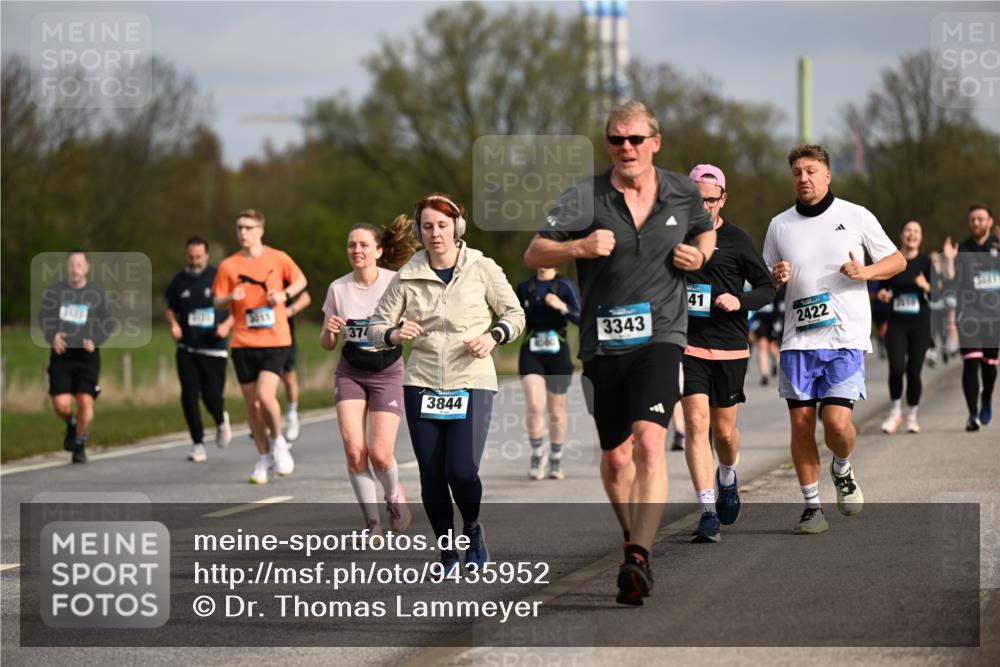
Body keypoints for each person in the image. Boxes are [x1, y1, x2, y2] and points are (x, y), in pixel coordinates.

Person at [524, 101, 716, 605]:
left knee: (650, 444)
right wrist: (578, 248)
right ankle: (634, 539)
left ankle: (639, 558)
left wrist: (700, 254)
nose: (625, 147)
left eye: (634, 138)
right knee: (615, 456)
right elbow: (534, 251)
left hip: (662, 335)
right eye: (616, 139)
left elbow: (705, 228)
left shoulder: (682, 191)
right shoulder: (583, 197)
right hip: (603, 343)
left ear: (655, 142)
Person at [369, 194, 525, 576]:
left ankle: (472, 529)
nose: (435, 233)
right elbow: (376, 326)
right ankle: (447, 553)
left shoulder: (482, 267)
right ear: (419, 231)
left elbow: (515, 314)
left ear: (457, 227)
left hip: (472, 380)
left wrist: (494, 336)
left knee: (461, 471)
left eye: (442, 225)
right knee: (432, 476)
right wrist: (394, 333)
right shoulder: (408, 274)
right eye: (427, 226)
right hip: (422, 382)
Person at [764, 144, 905, 535]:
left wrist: (866, 272)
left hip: (845, 338)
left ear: (827, 175)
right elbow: (765, 279)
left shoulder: (855, 215)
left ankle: (842, 467)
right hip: (798, 341)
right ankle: (812, 506)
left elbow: (897, 261)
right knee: (801, 426)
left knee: (837, 425)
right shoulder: (779, 225)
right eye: (797, 172)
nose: (803, 178)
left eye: (811, 171)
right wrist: (775, 278)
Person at [681, 164, 775, 543]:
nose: (704, 207)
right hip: (687, 345)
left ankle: (727, 475)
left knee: (723, 432)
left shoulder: (737, 240)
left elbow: (766, 288)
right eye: (696, 200)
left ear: (723, 199)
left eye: (710, 200)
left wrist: (740, 301)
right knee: (696, 425)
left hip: (730, 347)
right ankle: (707, 511)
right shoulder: (673, 237)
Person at [321, 216, 419, 534]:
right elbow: (327, 344)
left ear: (378, 251)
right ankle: (372, 522)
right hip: (350, 372)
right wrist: (330, 329)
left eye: (364, 245)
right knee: (354, 450)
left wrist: (405, 327)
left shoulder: (395, 282)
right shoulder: (338, 288)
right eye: (352, 245)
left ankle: (393, 495)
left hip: (387, 372)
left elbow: (415, 322)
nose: (357, 250)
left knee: (380, 454)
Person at [213, 209, 307, 484]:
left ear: (260, 231)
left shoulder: (278, 258)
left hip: (276, 339)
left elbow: (301, 281)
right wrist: (230, 297)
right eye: (239, 227)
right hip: (243, 342)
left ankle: (279, 443)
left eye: (249, 227)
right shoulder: (228, 265)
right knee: (252, 405)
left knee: (265, 397)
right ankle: (263, 458)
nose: (243, 232)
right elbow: (216, 302)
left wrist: (284, 295)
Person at [38, 250, 112, 463]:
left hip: (87, 358)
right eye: (71, 264)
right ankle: (72, 423)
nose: (75, 269)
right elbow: (43, 319)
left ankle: (79, 444)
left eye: (79, 264)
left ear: (87, 267)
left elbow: (108, 324)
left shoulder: (96, 295)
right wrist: (53, 336)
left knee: (85, 401)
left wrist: (95, 340)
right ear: (66, 267)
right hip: (62, 356)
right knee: (60, 404)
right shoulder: (55, 293)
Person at [165, 237, 234, 462]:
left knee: (211, 397)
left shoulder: (218, 277)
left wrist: (226, 325)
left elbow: (237, 307)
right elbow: (170, 308)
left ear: (206, 255)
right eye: (191, 257)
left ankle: (220, 420)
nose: (194, 261)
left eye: (198, 257)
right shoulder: (179, 281)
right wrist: (174, 325)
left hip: (214, 348)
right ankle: (197, 444)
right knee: (189, 395)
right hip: (188, 348)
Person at [516, 267, 582, 481]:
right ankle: (537, 454)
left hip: (558, 353)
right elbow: (513, 316)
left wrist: (562, 306)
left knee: (556, 411)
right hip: (531, 351)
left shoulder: (566, 286)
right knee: (535, 406)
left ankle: (556, 457)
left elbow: (581, 317)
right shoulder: (525, 287)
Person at [942, 204, 999, 431]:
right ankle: (972, 414)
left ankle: (987, 397)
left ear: (990, 221)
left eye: (980, 219)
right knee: (971, 362)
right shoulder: (962, 248)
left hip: (994, 316)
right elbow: (950, 278)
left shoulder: (997, 244)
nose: (976, 223)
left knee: (989, 366)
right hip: (969, 314)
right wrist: (948, 260)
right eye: (972, 219)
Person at [877, 221, 933, 435]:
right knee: (896, 369)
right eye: (908, 230)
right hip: (896, 323)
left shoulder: (926, 262)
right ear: (901, 234)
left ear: (921, 236)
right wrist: (882, 294)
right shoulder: (892, 260)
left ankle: (912, 416)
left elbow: (939, 294)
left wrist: (926, 286)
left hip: (920, 323)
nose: (912, 235)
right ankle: (894, 412)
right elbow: (881, 287)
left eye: (916, 231)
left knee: (913, 371)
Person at [281, 283, 311, 441]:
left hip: (285, 337)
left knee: (289, 379)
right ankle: (264, 420)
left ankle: (292, 414)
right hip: (259, 339)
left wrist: (289, 311)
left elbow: (305, 298)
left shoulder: (283, 275)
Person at [750, 286, 784, 385]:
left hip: (773, 321)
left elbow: (780, 309)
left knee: (772, 347)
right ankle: (764, 375)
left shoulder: (777, 291)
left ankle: (775, 362)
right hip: (760, 321)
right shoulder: (755, 288)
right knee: (762, 345)